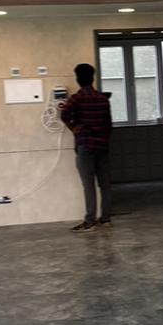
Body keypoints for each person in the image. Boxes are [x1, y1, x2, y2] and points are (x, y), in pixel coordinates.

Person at [59, 63, 113, 231]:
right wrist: (103, 137)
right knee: (104, 183)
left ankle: (90, 221)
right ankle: (106, 219)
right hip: (102, 145)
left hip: (85, 145)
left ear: (78, 78)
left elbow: (64, 114)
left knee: (88, 185)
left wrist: (74, 128)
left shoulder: (76, 98)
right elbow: (109, 124)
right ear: (92, 78)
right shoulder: (102, 98)